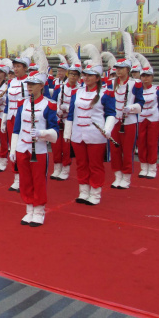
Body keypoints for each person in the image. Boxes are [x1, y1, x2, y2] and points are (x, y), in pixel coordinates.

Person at [9, 63, 58, 227]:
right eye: (28, 84)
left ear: (41, 86)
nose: (29, 87)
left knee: (38, 180)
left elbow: (55, 132)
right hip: (22, 147)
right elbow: (17, 128)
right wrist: (13, 147)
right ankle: (29, 208)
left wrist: (42, 133)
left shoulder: (49, 105)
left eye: (32, 84)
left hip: (39, 149)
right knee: (25, 180)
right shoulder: (22, 104)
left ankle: (39, 210)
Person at [63, 52, 116, 206]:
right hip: (78, 134)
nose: (86, 78)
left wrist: (107, 128)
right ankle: (83, 191)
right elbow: (71, 114)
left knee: (95, 165)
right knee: (81, 163)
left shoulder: (106, 93)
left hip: (96, 135)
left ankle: (95, 193)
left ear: (98, 78)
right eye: (85, 75)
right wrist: (68, 132)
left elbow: (111, 113)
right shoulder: (76, 93)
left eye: (90, 75)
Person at [108, 51, 144, 189]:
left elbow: (141, 103)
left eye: (121, 68)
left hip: (129, 122)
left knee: (127, 150)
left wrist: (131, 108)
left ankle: (126, 177)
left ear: (128, 70)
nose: (118, 71)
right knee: (115, 150)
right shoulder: (111, 83)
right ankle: (117, 176)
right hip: (114, 122)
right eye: (116, 68)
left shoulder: (136, 84)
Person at [49, 57, 82, 181]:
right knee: (56, 146)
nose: (73, 77)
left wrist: (68, 108)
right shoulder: (60, 87)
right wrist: (57, 109)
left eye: (75, 75)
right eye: (71, 74)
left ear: (79, 77)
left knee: (66, 147)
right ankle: (57, 168)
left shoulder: (80, 90)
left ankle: (65, 169)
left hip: (70, 121)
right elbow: (53, 101)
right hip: (58, 120)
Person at [4, 49, 31, 192]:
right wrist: (4, 119)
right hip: (12, 118)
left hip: (25, 119)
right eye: (14, 66)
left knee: (24, 149)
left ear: (25, 68)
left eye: (18, 66)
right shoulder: (11, 82)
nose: (15, 69)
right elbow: (8, 102)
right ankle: (16, 178)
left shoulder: (31, 82)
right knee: (13, 148)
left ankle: (26, 177)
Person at [135, 56, 159, 179]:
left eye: (148, 76)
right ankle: (143, 167)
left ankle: (152, 167)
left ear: (152, 77)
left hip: (153, 119)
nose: (145, 78)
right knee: (141, 143)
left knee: (152, 143)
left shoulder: (158, 89)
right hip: (141, 119)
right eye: (143, 76)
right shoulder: (136, 90)